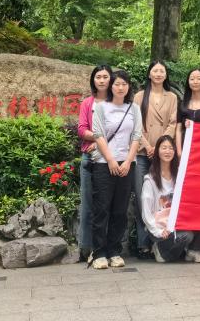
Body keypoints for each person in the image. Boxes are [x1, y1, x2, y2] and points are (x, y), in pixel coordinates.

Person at [88, 68, 143, 269]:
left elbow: (136, 136)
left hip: (127, 164)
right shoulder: (101, 107)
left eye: (124, 84)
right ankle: (99, 253)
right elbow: (98, 134)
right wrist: (111, 160)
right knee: (102, 208)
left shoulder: (134, 108)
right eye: (117, 84)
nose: (120, 87)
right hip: (104, 165)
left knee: (120, 210)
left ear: (129, 87)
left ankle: (114, 251)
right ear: (111, 86)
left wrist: (128, 161)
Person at [132, 60, 179, 259]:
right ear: (149, 74)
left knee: (164, 198)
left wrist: (160, 146)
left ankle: (162, 239)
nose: (158, 74)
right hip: (143, 153)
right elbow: (135, 124)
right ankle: (143, 244)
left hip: (163, 153)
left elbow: (173, 123)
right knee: (142, 199)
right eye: (155, 70)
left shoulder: (172, 97)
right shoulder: (139, 96)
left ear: (166, 75)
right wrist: (148, 146)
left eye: (162, 71)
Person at [141, 135, 200, 263]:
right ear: (157, 151)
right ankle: (160, 250)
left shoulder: (179, 175)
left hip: (177, 223)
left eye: (171, 148)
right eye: (164, 148)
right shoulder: (150, 180)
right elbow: (146, 212)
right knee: (186, 236)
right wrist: (158, 231)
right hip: (160, 227)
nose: (167, 151)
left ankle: (193, 251)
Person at [76, 64, 112, 261]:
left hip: (112, 159)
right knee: (88, 204)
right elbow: (82, 129)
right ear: (93, 80)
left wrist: (99, 142)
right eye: (98, 77)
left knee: (108, 206)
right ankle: (87, 248)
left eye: (105, 76)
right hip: (90, 158)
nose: (102, 80)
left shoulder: (117, 103)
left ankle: (107, 248)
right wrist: (99, 139)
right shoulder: (87, 103)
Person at [177, 67, 200, 254]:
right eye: (192, 78)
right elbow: (177, 128)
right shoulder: (182, 103)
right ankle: (184, 242)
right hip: (185, 155)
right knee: (186, 198)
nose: (195, 81)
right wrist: (179, 151)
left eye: (199, 78)